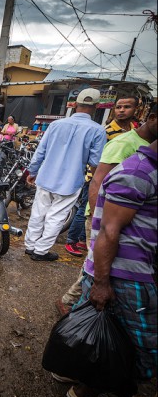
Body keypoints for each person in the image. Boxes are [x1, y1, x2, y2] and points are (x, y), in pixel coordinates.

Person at [62, 139, 157, 397]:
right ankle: (88, 392)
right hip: (125, 273)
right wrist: (102, 282)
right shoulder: (138, 172)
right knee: (137, 347)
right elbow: (108, 230)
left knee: (87, 327)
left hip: (118, 270)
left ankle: (69, 370)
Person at [57, 102, 157, 315]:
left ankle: (75, 304)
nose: (122, 110)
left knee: (94, 266)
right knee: (96, 268)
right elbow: (97, 181)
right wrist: (96, 219)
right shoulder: (124, 142)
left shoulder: (136, 137)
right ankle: (73, 306)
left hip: (123, 224)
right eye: (119, 107)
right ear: (152, 118)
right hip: (109, 221)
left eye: (127, 107)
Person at [24, 88, 106, 261]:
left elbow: (41, 151)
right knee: (56, 217)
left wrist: (32, 171)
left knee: (38, 213)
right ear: (96, 107)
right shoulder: (97, 130)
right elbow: (94, 162)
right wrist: (95, 182)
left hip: (46, 176)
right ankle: (40, 251)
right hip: (71, 181)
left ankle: (30, 246)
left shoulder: (55, 125)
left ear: (75, 105)